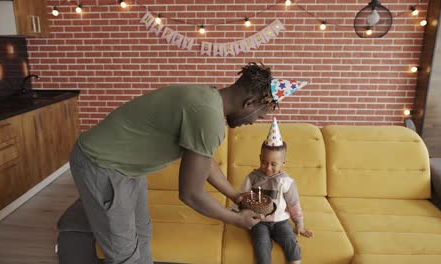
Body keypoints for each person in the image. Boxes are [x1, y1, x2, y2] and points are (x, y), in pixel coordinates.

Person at [68, 62, 281, 264]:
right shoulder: (208, 117)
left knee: (142, 233)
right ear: (249, 104)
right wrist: (235, 219)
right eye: (259, 116)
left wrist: (235, 196)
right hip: (102, 164)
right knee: (124, 253)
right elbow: (190, 194)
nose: (253, 122)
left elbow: (204, 160)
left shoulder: (208, 98)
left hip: (129, 169)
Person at [238, 118, 313, 264]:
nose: (268, 167)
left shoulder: (285, 181)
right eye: (264, 162)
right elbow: (241, 198)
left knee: (291, 242)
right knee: (261, 245)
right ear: (260, 158)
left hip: (281, 221)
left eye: (274, 164)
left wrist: (300, 225)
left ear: (283, 163)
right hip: (258, 221)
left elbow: (293, 204)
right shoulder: (252, 177)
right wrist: (236, 214)